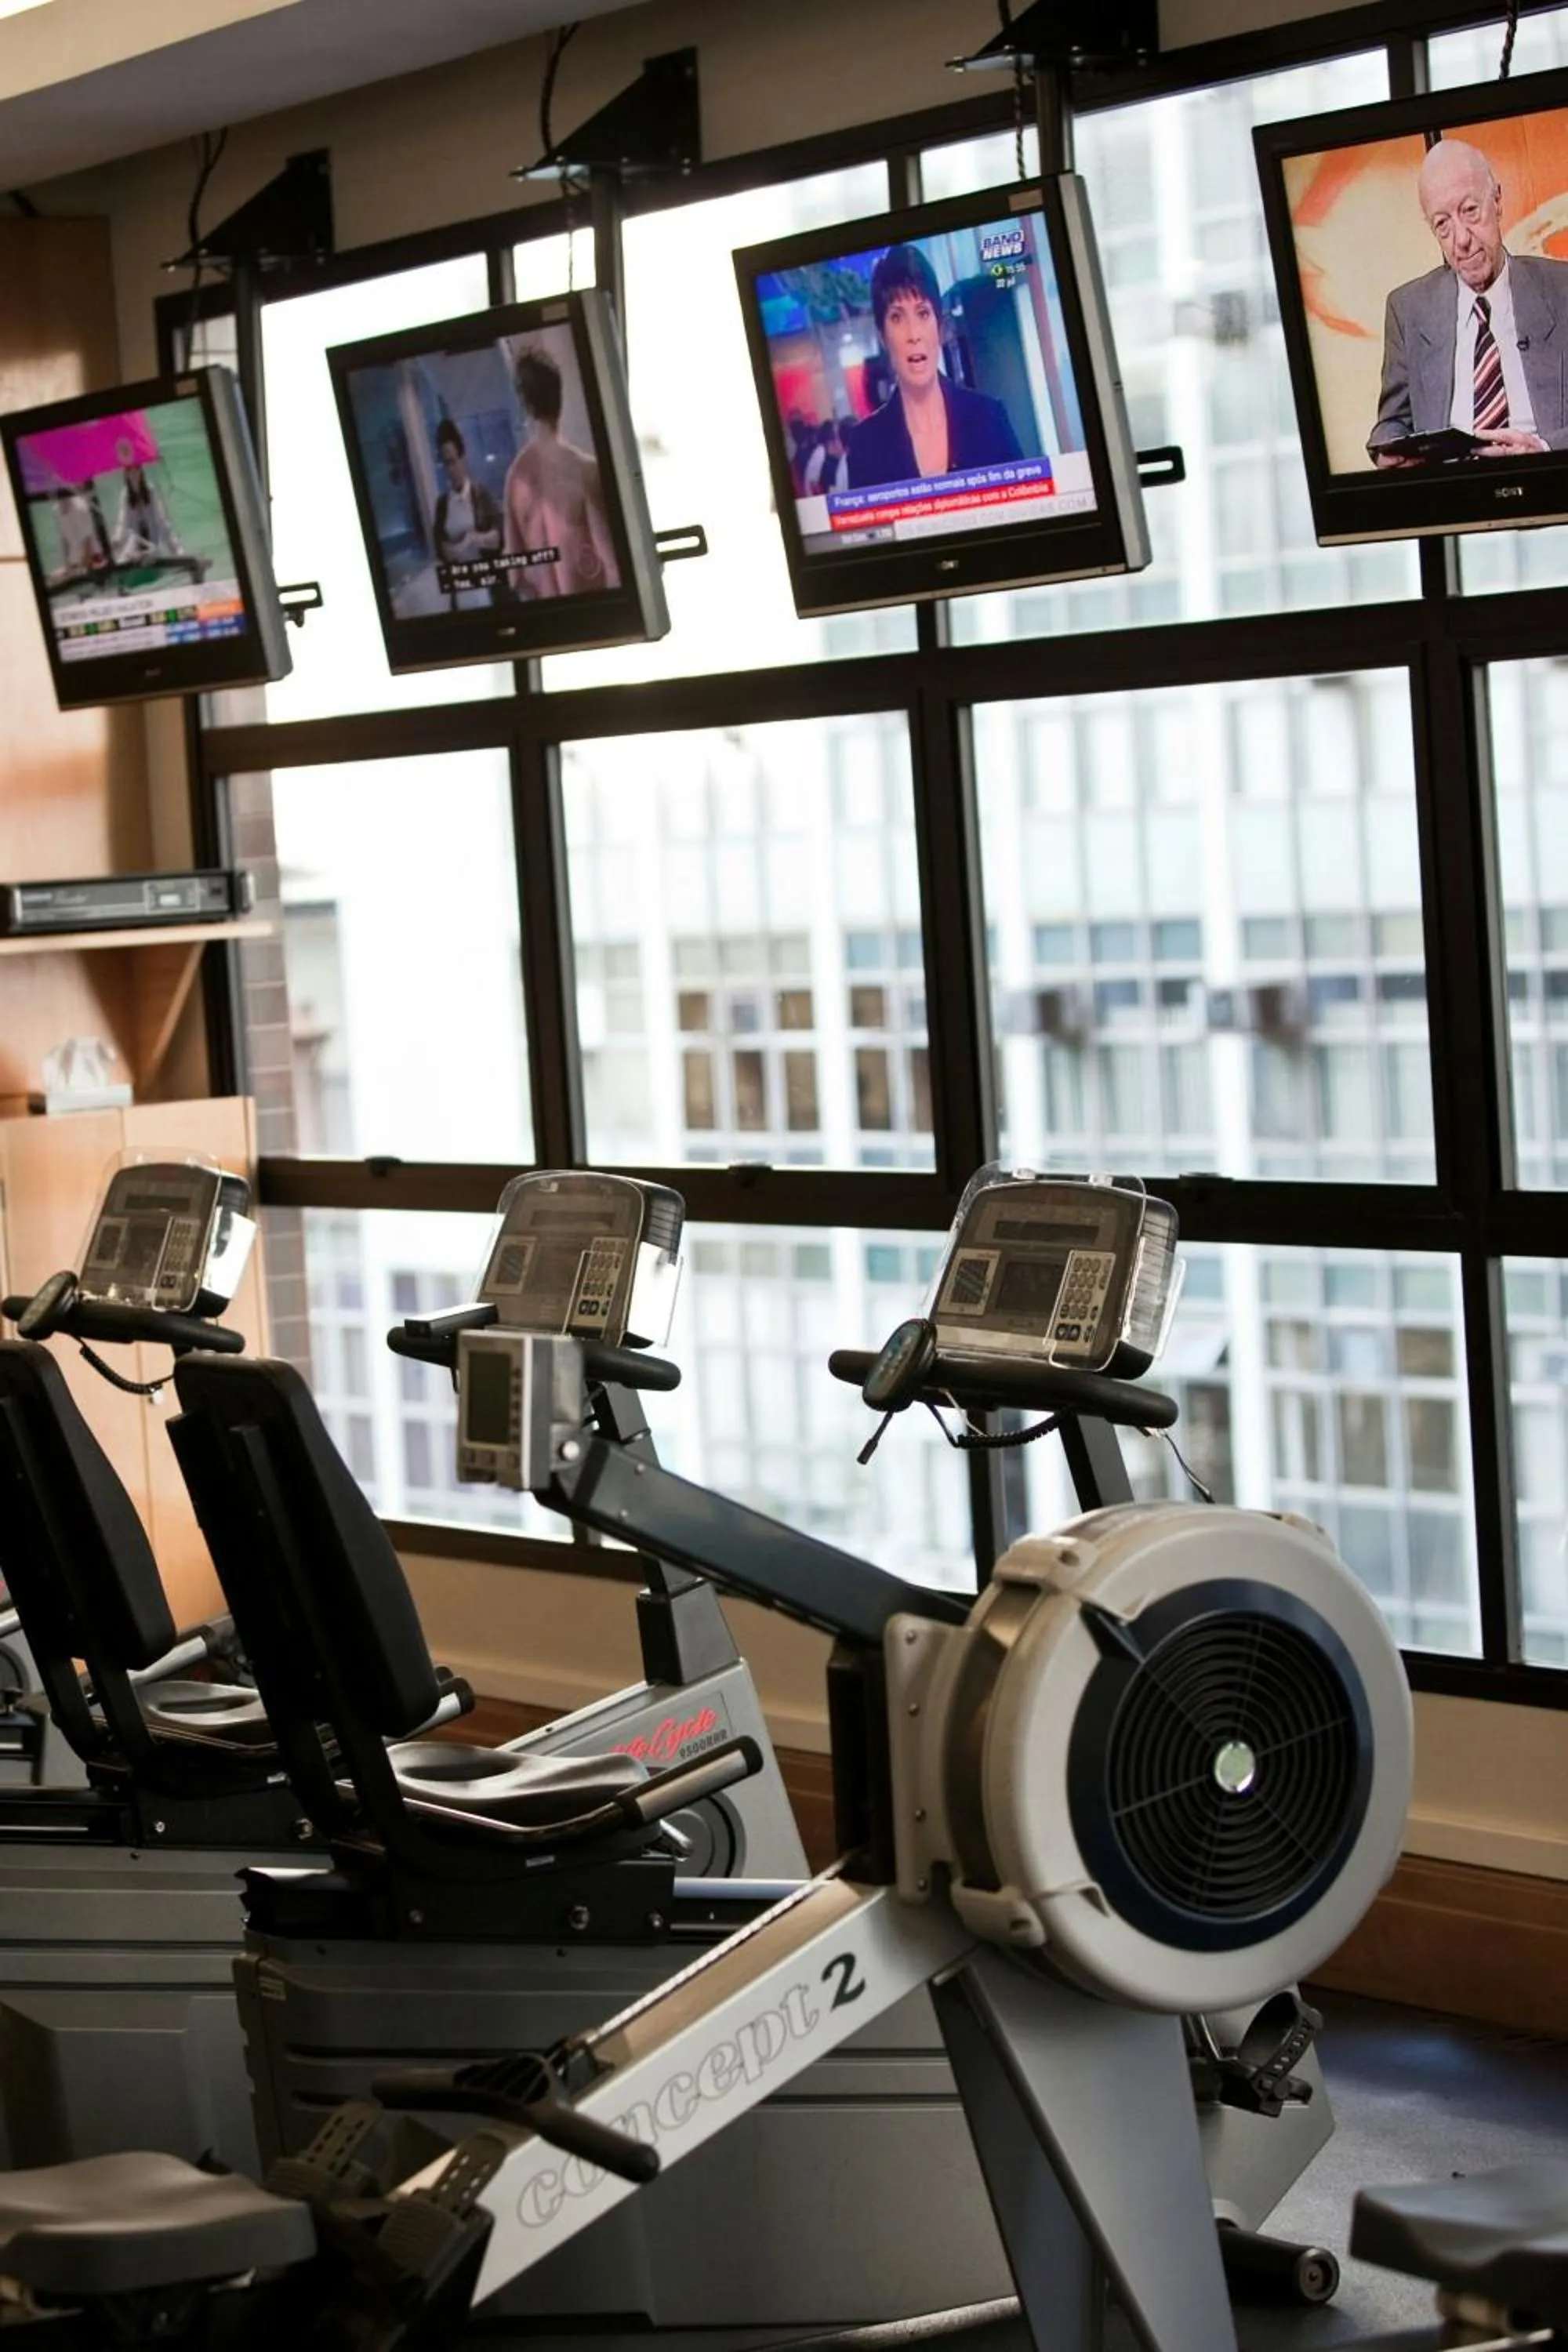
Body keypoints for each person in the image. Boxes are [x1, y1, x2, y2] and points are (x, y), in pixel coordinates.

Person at [1368, 136, 1568, 464]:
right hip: (1454, 489)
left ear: (1497, 201)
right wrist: (1388, 451)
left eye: (1470, 211)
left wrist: (1545, 450)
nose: (1461, 239)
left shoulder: (1562, 289)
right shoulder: (1408, 311)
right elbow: (1392, 424)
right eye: (1443, 225)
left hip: (1549, 481)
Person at [845, 243, 1023, 492]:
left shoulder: (989, 418)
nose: (913, 334)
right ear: (883, 337)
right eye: (897, 317)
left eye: (923, 314)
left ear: (939, 326)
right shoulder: (865, 446)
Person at [503, 343, 620, 599]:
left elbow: (515, 577)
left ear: (524, 405)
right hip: (591, 613)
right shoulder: (586, 471)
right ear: (559, 399)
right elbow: (613, 567)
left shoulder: (515, 479)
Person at [430, 419, 503, 611]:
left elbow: (498, 537)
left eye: (453, 462)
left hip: (488, 586)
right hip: (461, 591)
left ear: (463, 460)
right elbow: (442, 549)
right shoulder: (443, 504)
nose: (450, 470)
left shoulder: (481, 495)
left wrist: (473, 539)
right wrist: (460, 547)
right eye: (445, 464)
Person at [111, 438, 184, 562]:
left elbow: (162, 523)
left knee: (150, 551)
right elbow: (122, 523)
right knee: (124, 555)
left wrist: (177, 551)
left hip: (151, 544)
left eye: (137, 468)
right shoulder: (125, 495)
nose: (134, 473)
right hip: (134, 547)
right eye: (129, 470)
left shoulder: (150, 492)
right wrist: (116, 542)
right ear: (126, 474)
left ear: (141, 471)